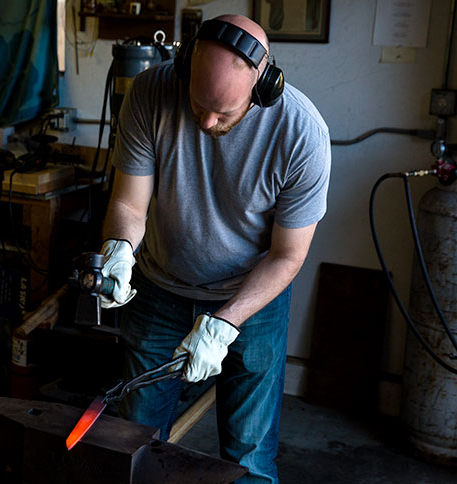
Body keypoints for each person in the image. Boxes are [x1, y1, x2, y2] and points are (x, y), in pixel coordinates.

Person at [99, 14, 331, 483]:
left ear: (263, 86)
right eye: (199, 103)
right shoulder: (150, 92)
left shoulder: (302, 134)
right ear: (185, 65)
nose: (206, 122)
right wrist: (119, 249)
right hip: (160, 287)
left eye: (223, 113)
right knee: (136, 442)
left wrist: (226, 322)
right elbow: (129, 201)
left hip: (250, 301)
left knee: (248, 456)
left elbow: (288, 254)